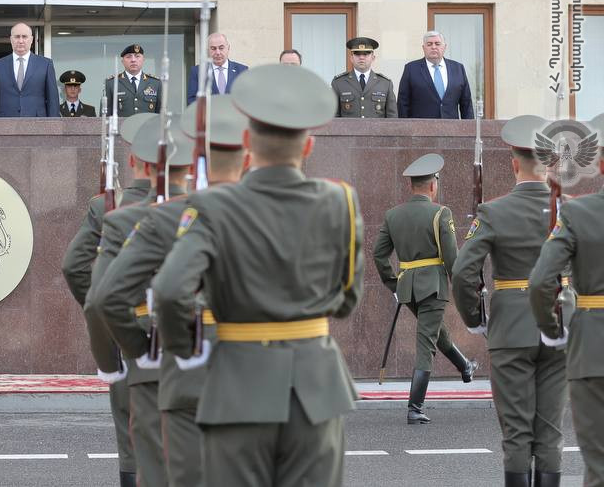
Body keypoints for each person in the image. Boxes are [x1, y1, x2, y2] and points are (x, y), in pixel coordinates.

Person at [153, 64, 363, 487]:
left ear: (247, 143)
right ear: (309, 147)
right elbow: (346, 297)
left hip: (237, 384)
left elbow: (171, 290)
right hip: (315, 386)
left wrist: (185, 347)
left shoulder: (214, 206)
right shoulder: (339, 200)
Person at [92, 98, 249, 487]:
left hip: (156, 351)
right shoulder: (253, 212)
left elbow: (100, 298)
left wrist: (134, 351)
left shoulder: (128, 218)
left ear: (141, 165)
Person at [453, 115, 567, 486]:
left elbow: (464, 272)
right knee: (549, 434)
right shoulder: (568, 211)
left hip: (511, 328)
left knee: (517, 434)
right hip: (560, 324)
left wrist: (474, 319)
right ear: (550, 164)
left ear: (514, 163)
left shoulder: (494, 212)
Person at [82, 114, 190, 487]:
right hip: (211, 347)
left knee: (138, 441)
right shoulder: (217, 211)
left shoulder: (115, 213)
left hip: (140, 340)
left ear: (133, 161)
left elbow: (92, 291)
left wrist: (116, 334)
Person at [60, 112, 159, 487]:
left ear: (133, 161)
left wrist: (105, 309)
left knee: (133, 430)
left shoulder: (106, 206)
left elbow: (74, 267)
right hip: (189, 333)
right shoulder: (197, 204)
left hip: (128, 331)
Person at [372, 153, 477, 426]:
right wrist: (464, 289)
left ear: (411, 186)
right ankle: (415, 407)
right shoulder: (441, 213)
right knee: (426, 341)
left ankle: (464, 366)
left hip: (407, 288)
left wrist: (393, 283)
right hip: (433, 285)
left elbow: (379, 255)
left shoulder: (393, 215)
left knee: (434, 330)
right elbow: (452, 258)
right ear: (433, 185)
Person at [529, 112, 604, 487]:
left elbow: (542, 280)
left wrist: (552, 330)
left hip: (593, 349)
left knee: (599, 466)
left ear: (601, 163)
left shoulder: (578, 213)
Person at [0, 22, 58, 117]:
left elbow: (53, 101)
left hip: (37, 125)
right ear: (11, 39)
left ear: (31, 40)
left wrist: (53, 127)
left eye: (24, 37)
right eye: (17, 37)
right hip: (4, 124)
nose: (21, 41)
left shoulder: (45, 64)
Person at [397, 31, 475, 119]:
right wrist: (405, 130)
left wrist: (470, 130)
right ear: (423, 48)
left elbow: (466, 104)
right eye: (429, 44)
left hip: (451, 129)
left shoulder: (458, 68)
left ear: (444, 47)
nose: (433, 47)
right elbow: (402, 103)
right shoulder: (411, 69)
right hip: (420, 129)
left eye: (437, 44)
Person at [333, 37, 397, 118]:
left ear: (373, 58)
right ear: (351, 58)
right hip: (349, 131)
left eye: (366, 54)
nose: (361, 57)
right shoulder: (339, 83)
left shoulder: (385, 84)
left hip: (377, 131)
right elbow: (334, 117)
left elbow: (392, 117)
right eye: (357, 54)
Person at [185, 32, 247, 104]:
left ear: (228, 48)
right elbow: (192, 102)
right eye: (213, 48)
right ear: (208, 50)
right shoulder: (198, 71)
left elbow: (247, 99)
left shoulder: (242, 70)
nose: (217, 52)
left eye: (221, 48)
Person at [104, 44, 161, 117]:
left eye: (137, 56)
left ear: (143, 60)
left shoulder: (156, 83)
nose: (133, 60)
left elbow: (161, 116)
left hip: (147, 128)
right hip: (121, 128)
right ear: (122, 61)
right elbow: (104, 117)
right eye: (128, 57)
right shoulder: (111, 83)